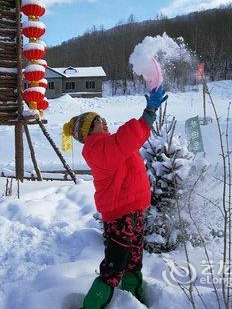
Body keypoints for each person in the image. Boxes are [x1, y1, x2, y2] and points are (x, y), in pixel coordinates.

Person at [61, 86, 168, 308]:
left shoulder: (107, 145)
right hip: (121, 217)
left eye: (101, 118)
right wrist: (149, 112)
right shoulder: (98, 149)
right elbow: (127, 139)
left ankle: (132, 298)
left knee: (134, 260)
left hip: (133, 212)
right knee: (114, 267)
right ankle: (92, 305)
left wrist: (149, 116)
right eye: (98, 120)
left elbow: (129, 141)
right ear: (89, 131)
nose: (104, 122)